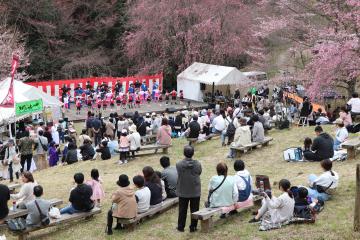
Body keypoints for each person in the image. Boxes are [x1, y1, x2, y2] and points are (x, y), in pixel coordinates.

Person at [176, 145, 202, 232]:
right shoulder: (197, 164)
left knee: (182, 210)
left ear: (184, 153)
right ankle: (193, 227)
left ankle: (180, 227)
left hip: (183, 190)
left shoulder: (179, 164)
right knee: (195, 210)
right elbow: (199, 172)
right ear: (193, 153)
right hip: (195, 190)